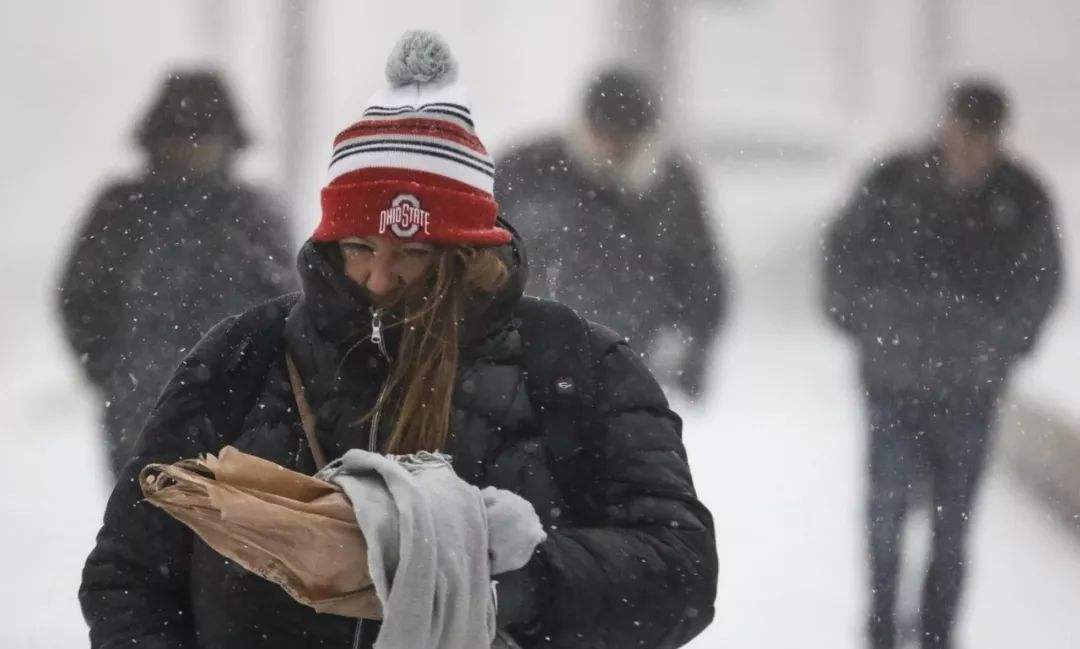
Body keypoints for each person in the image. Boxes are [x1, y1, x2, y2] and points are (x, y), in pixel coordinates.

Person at [80, 32, 717, 649]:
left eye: (413, 252)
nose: (379, 276)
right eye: (358, 247)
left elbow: (680, 571)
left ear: (469, 252)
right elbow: (131, 569)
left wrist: (512, 577)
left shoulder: (576, 363)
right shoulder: (245, 356)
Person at [823, 80, 1062, 649]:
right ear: (946, 125)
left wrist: (1003, 346)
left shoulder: (1021, 198)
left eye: (983, 137)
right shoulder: (891, 183)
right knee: (885, 520)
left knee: (950, 528)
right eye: (964, 132)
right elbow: (841, 256)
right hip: (893, 384)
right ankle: (881, 628)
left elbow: (1042, 283)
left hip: (969, 391)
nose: (970, 147)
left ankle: (938, 635)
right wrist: (865, 326)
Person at [57, 70, 297, 478]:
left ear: (228, 143)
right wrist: (116, 374)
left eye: (202, 137)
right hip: (140, 414)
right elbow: (79, 298)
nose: (189, 149)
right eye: (179, 136)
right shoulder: (121, 209)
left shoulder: (251, 213)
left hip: (234, 418)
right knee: (142, 528)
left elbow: (286, 309)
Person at [496, 67, 727, 400]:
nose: (614, 147)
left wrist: (692, 351)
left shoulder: (672, 187)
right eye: (606, 133)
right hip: (531, 364)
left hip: (633, 369)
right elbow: (480, 258)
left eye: (626, 138)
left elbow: (702, 276)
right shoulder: (529, 170)